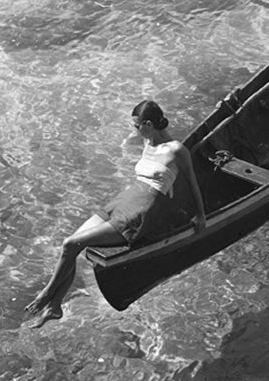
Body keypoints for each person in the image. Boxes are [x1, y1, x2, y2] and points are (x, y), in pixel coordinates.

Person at [24, 99, 206, 328]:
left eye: (136, 125)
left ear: (148, 124)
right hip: (122, 200)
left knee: (70, 244)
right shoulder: (148, 142)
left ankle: (46, 294)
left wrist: (200, 215)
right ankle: (55, 306)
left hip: (141, 209)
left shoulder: (177, 149)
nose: (135, 130)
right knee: (71, 247)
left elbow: (192, 183)